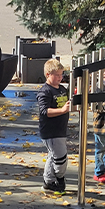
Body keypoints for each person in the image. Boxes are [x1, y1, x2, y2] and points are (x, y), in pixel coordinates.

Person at [37, 59, 70, 195]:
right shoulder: (45, 91)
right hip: (51, 131)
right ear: (47, 75)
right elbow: (44, 111)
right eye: (56, 75)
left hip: (60, 129)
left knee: (53, 155)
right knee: (60, 158)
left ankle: (49, 181)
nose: (60, 78)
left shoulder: (62, 89)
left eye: (61, 75)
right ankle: (59, 177)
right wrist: (62, 110)